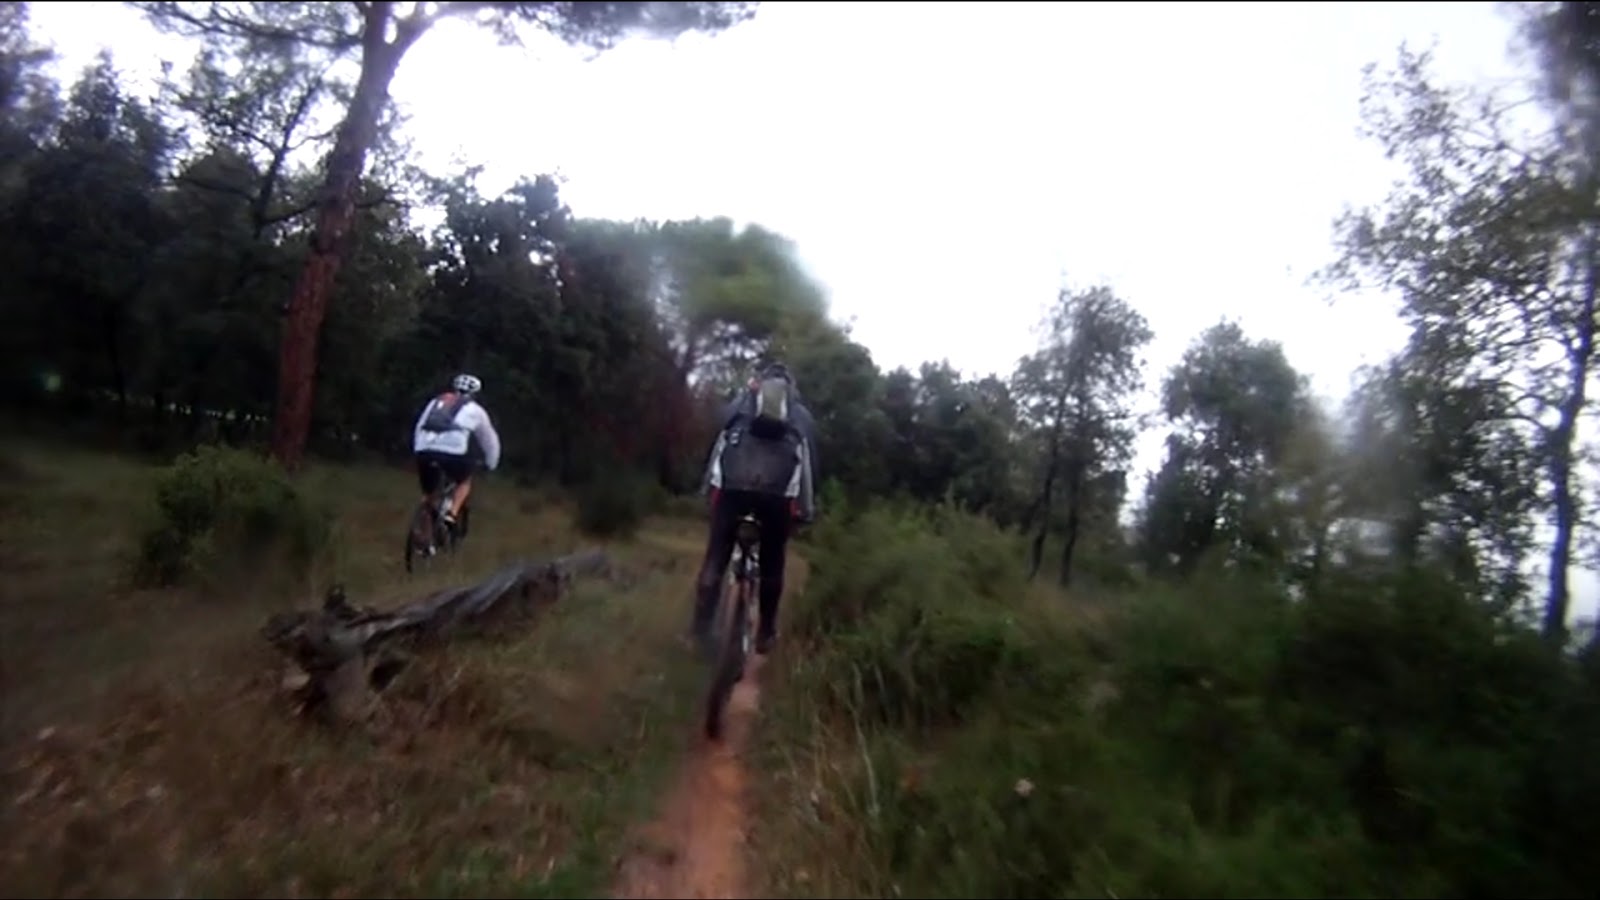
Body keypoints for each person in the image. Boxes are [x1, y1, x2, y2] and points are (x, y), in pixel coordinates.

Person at [691, 360, 819, 657]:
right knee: (772, 563)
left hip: (732, 491)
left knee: (716, 557)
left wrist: (707, 490)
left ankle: (699, 631)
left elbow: (719, 440)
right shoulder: (800, 415)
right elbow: (808, 466)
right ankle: (766, 633)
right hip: (776, 497)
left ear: (760, 382)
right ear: (791, 388)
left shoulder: (743, 402)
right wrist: (806, 510)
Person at [411, 373, 502, 531]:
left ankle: (422, 531)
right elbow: (489, 439)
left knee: (429, 493)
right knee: (464, 481)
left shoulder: (436, 402)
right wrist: (491, 463)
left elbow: (420, 425)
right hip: (453, 452)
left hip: (424, 449)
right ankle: (451, 514)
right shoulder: (476, 410)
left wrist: (418, 449)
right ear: (476, 394)